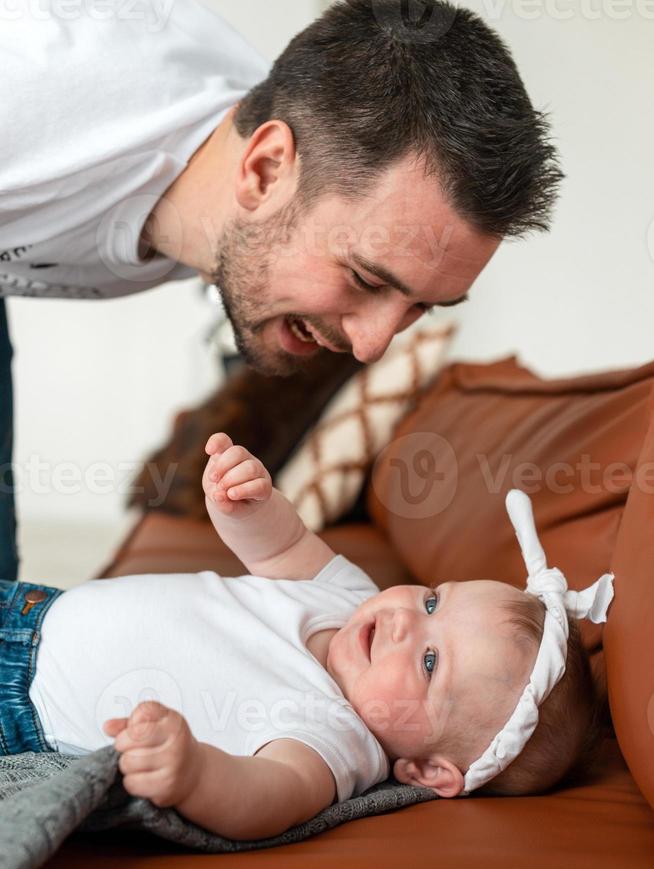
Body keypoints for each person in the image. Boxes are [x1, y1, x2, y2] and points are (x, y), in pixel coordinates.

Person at [0, 0, 564, 579]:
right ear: (265, 170)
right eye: (366, 278)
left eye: (419, 305)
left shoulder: (265, 162)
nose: (373, 346)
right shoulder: (30, 99)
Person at [0, 434, 613, 841]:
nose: (403, 620)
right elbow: (285, 545)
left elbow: (265, 796)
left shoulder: (335, 742)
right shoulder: (347, 598)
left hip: (23, 708)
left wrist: (192, 772)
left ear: (427, 768)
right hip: (34, 608)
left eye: (429, 662)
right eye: (431, 600)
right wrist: (249, 504)